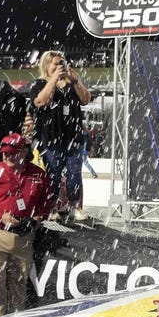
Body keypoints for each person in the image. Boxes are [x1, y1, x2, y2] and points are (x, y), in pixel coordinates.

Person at [0, 133, 53, 317]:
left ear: (23, 152)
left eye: (12, 153)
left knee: (19, 283)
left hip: (24, 237)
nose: (7, 157)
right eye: (5, 153)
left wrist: (35, 220)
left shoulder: (38, 175)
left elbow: (46, 203)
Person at [28, 51, 91, 223]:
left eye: (61, 63)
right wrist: (54, 80)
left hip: (73, 138)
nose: (59, 67)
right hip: (50, 138)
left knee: (74, 175)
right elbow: (40, 101)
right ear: (46, 66)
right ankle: (52, 207)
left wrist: (76, 80)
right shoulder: (39, 83)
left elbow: (86, 99)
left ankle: (74, 207)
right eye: (55, 64)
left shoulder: (72, 84)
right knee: (53, 175)